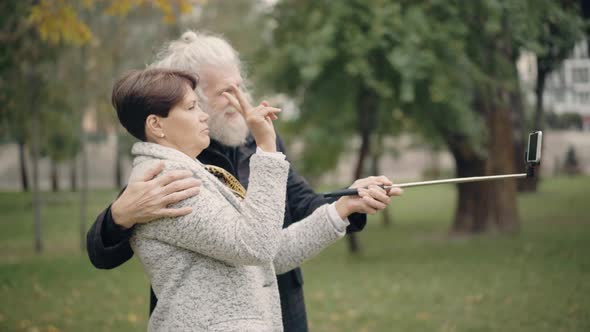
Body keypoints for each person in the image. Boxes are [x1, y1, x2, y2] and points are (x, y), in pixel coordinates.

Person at [86, 31, 402, 331]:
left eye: (240, 86)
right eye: (225, 92)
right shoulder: (168, 174)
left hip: (279, 307)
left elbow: (295, 210)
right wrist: (117, 217)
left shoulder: (254, 141)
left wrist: (348, 204)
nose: (240, 101)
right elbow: (253, 243)